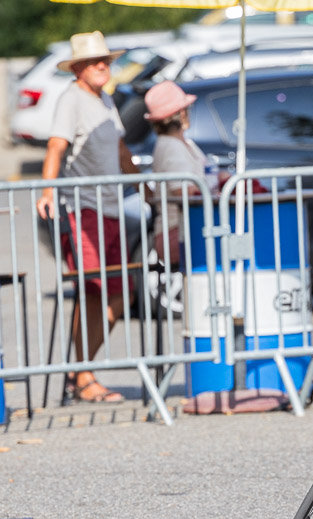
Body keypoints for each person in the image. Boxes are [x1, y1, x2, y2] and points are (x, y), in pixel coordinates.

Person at [36, 31, 142, 403]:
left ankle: (78, 370)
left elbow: (120, 147)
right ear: (78, 67)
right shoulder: (72, 98)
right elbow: (55, 145)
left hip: (111, 209)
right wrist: (48, 191)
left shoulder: (105, 98)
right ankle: (83, 375)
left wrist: (146, 185)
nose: (103, 66)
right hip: (83, 209)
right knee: (94, 290)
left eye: (107, 60)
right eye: (96, 61)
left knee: (120, 294)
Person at [144, 80, 204, 267]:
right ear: (180, 113)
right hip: (178, 232)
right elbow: (183, 193)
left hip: (182, 229)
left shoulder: (179, 144)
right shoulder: (171, 147)